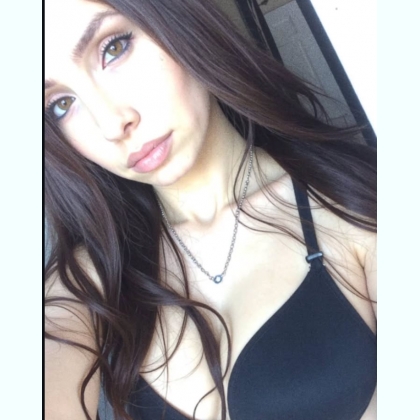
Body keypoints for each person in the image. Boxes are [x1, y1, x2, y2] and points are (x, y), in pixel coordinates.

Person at [44, 0, 377, 419]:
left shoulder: (353, 206)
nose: (112, 124)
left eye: (114, 48)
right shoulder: (88, 281)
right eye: (62, 104)